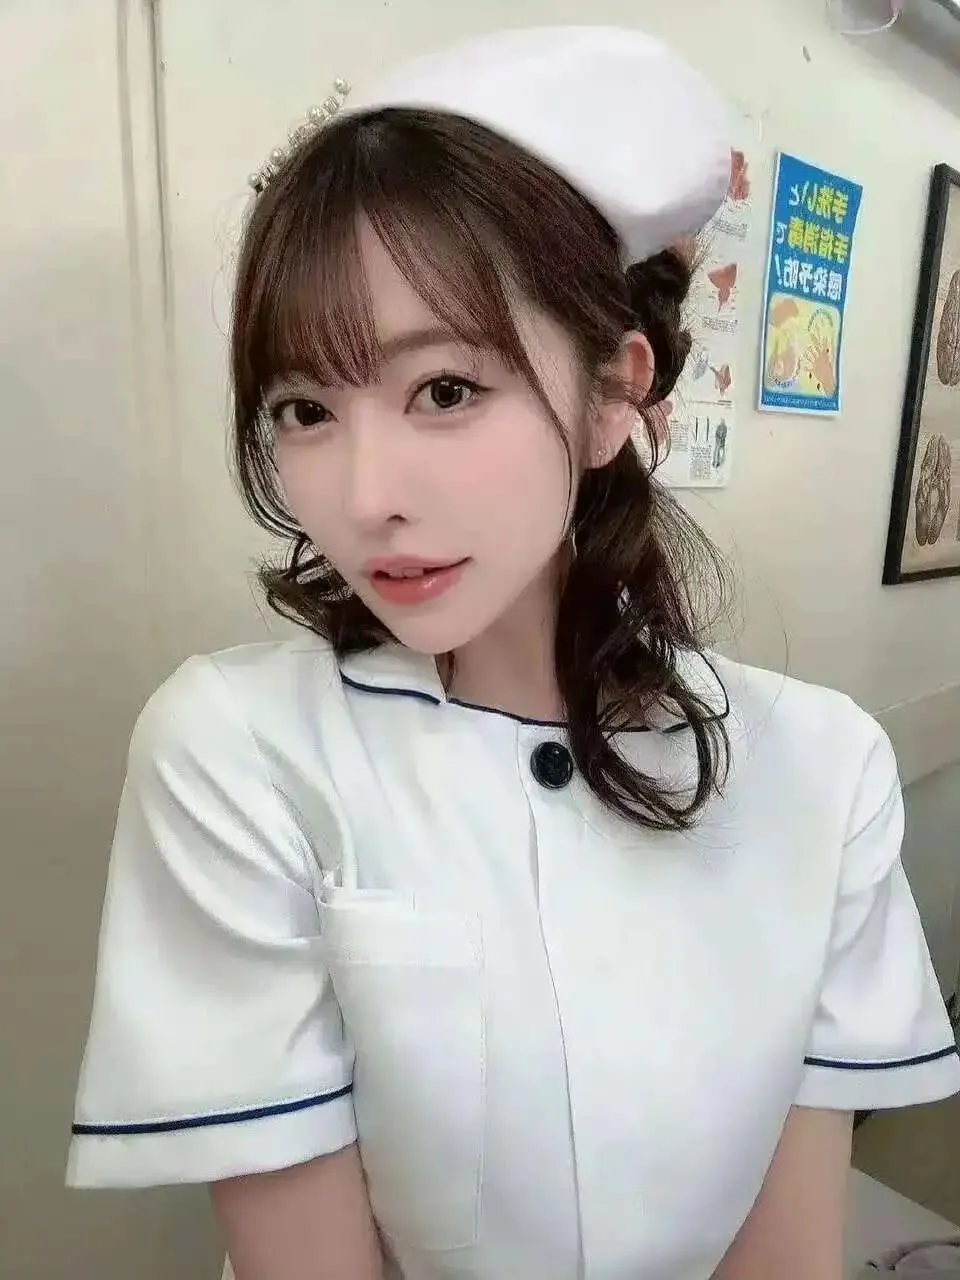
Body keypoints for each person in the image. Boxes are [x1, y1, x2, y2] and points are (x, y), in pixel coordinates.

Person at [67, 25, 960, 1280]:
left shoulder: (823, 768)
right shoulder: (239, 751)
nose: (365, 497)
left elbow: (787, 1254)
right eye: (305, 409)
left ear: (613, 393)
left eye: (444, 390)